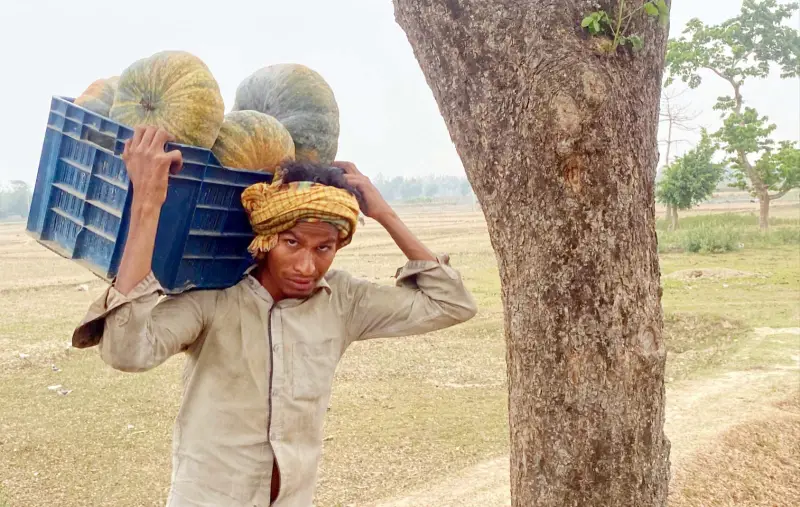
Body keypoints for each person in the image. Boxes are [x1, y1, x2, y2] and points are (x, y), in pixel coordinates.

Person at [72, 126, 478, 507]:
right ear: (266, 239)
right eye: (292, 242)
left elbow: (451, 304)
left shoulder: (343, 302)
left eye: (325, 248)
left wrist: (385, 213)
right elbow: (127, 353)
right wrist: (147, 202)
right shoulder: (215, 296)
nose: (306, 264)